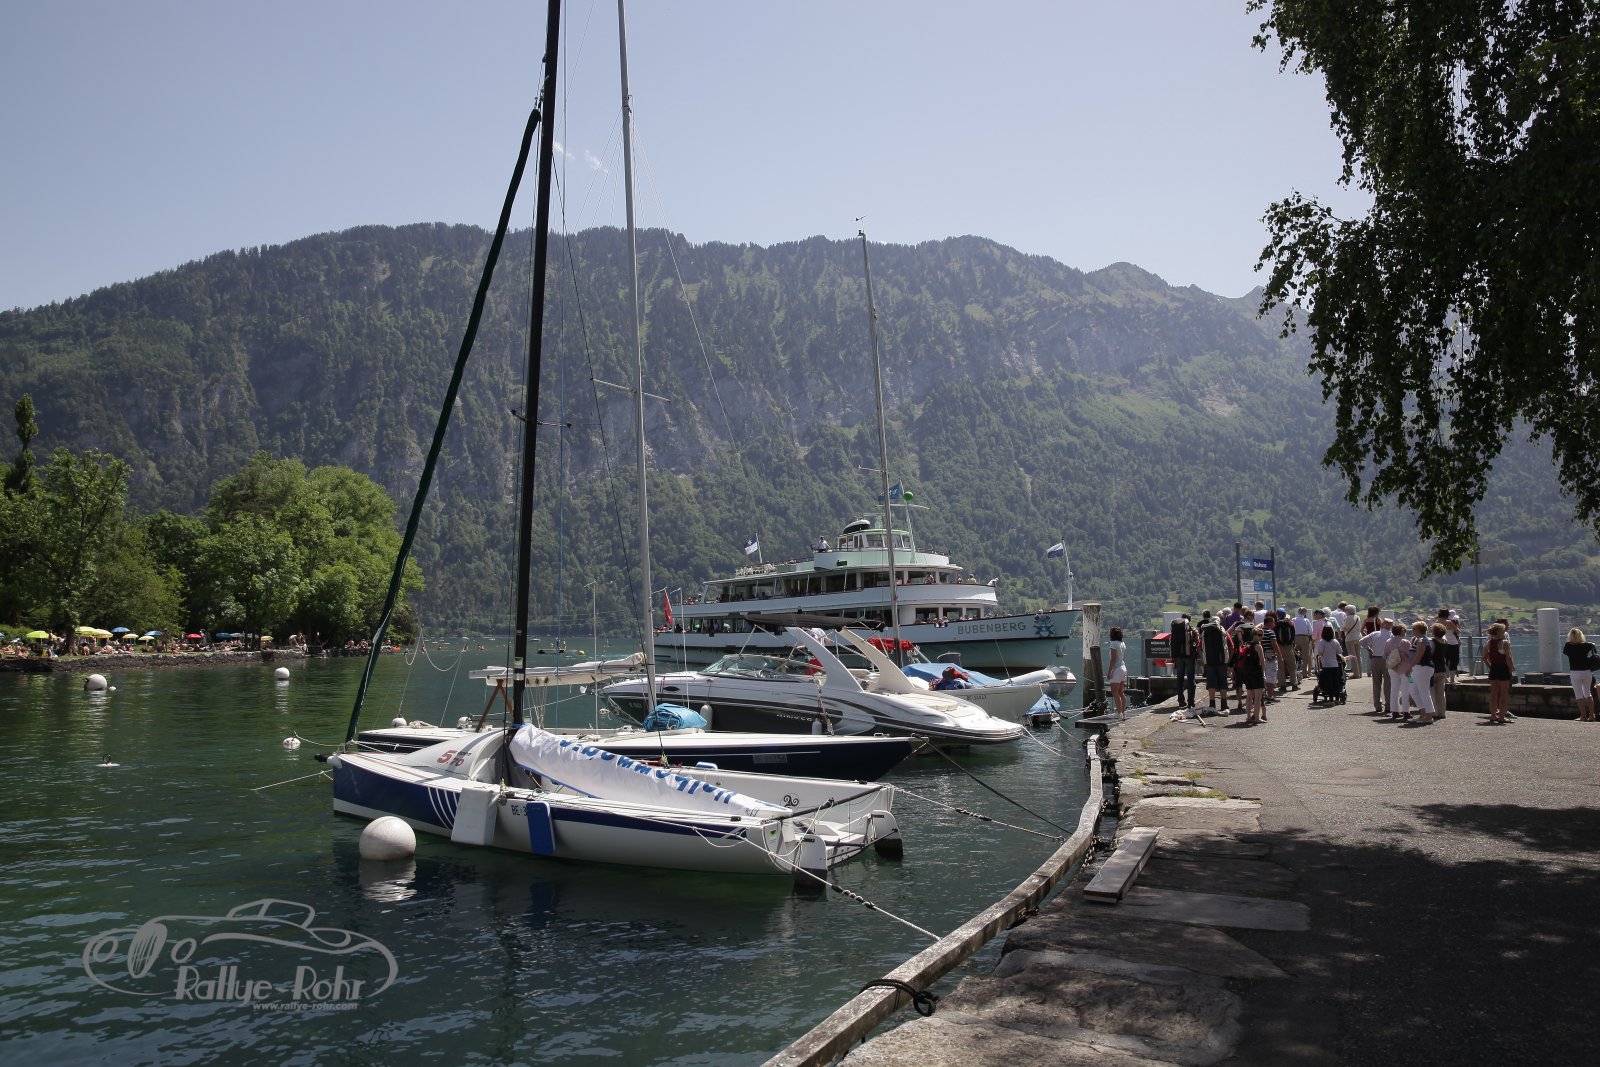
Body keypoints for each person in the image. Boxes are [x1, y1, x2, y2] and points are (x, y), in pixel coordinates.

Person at [1405, 620, 1438, 723]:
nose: (1412, 631)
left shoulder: (1422, 641)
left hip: (1423, 668)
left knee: (1423, 691)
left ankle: (1429, 716)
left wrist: (1409, 667)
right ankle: (1423, 713)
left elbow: (1418, 656)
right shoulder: (1419, 640)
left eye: (1414, 629)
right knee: (1413, 690)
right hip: (1418, 668)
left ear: (1418, 630)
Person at [1198, 610, 1231, 714]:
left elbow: (1199, 647)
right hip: (1222, 661)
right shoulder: (1222, 631)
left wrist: (1203, 659)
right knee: (1223, 681)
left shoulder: (1204, 632)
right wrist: (1228, 659)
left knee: (1211, 682)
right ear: (1219, 622)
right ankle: (1224, 704)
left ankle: (1212, 704)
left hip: (1209, 661)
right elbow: (1231, 645)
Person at [1562, 627, 1596, 722]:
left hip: (1575, 672)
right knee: (1587, 693)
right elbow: (1592, 645)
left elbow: (1565, 652)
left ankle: (1583, 716)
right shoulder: (1586, 645)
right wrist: (1591, 644)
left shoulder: (1568, 646)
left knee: (1579, 695)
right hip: (1587, 672)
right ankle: (1592, 715)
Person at [1235, 625, 1267, 724]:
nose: (1261, 636)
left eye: (1262, 635)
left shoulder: (1247, 645)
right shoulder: (1258, 646)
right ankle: (1256, 718)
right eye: (1259, 635)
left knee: (1249, 696)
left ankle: (1248, 717)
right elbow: (1262, 661)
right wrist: (1263, 674)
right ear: (1254, 635)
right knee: (1257, 697)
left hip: (1247, 673)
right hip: (1256, 673)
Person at [1484, 622, 1514, 724]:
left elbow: (1485, 658)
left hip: (1494, 668)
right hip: (1503, 669)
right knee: (1503, 694)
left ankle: (1493, 715)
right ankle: (1501, 716)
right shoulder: (1504, 643)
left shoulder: (1489, 643)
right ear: (1499, 632)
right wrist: (1510, 669)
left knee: (1494, 693)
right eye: (1503, 631)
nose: (1504, 632)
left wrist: (1490, 667)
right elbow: (1508, 658)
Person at [1385, 621, 1414, 720]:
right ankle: (1406, 711)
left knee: (1394, 690)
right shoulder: (1405, 642)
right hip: (1405, 669)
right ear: (1402, 631)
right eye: (1404, 630)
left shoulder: (1388, 641)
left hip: (1392, 667)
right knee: (1406, 690)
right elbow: (1410, 655)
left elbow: (1385, 655)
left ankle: (1394, 711)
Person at [1170, 613, 1197, 709]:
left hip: (1178, 656)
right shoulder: (1191, 630)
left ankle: (1181, 701)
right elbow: (1197, 641)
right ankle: (1191, 701)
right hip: (1189, 656)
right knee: (1191, 678)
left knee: (1180, 678)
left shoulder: (1175, 629)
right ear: (1189, 620)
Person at [1106, 626, 1128, 718]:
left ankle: (1119, 713)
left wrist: (1109, 671)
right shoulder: (1122, 643)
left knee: (1114, 692)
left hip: (1117, 669)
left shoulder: (1113, 644)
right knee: (1121, 692)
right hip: (1123, 668)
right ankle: (1123, 712)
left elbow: (1113, 659)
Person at [1275, 609, 1298, 691]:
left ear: (1278, 615)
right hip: (1289, 647)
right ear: (1285, 615)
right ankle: (1294, 684)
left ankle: (1282, 685)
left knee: (1280, 666)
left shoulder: (1277, 624)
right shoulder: (1290, 623)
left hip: (1279, 646)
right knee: (1292, 666)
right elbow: (1293, 635)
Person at [1293, 608, 1315, 686]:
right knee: (1305, 655)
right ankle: (1304, 673)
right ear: (1305, 613)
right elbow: (1310, 631)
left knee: (1295, 654)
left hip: (1295, 637)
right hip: (1305, 637)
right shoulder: (1306, 620)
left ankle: (1294, 671)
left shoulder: (1293, 619)